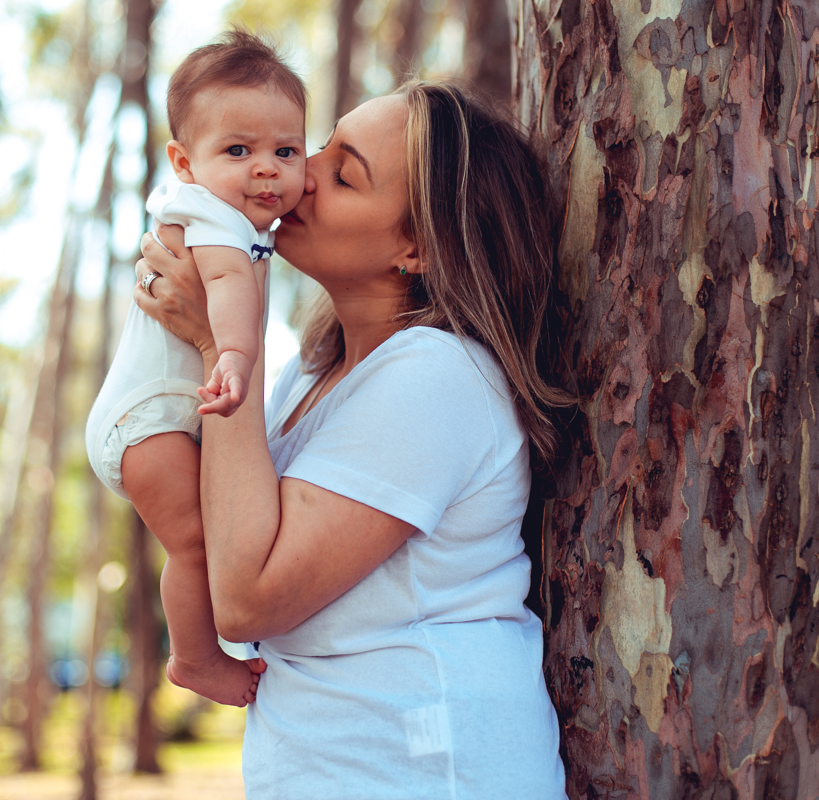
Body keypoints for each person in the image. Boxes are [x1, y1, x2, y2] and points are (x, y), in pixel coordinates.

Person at [133, 81, 569, 798]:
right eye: (323, 145)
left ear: (417, 247)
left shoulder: (439, 376)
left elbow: (248, 600)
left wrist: (219, 341)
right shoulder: (312, 377)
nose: (301, 172)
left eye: (342, 173)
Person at [85, 31, 305, 707]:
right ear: (185, 162)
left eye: (286, 151)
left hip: (161, 418)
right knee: (196, 545)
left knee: (205, 539)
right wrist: (233, 356)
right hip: (147, 420)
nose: (265, 168)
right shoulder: (211, 217)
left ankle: (199, 653)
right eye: (237, 150)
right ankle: (195, 659)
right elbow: (228, 287)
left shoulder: (231, 220)